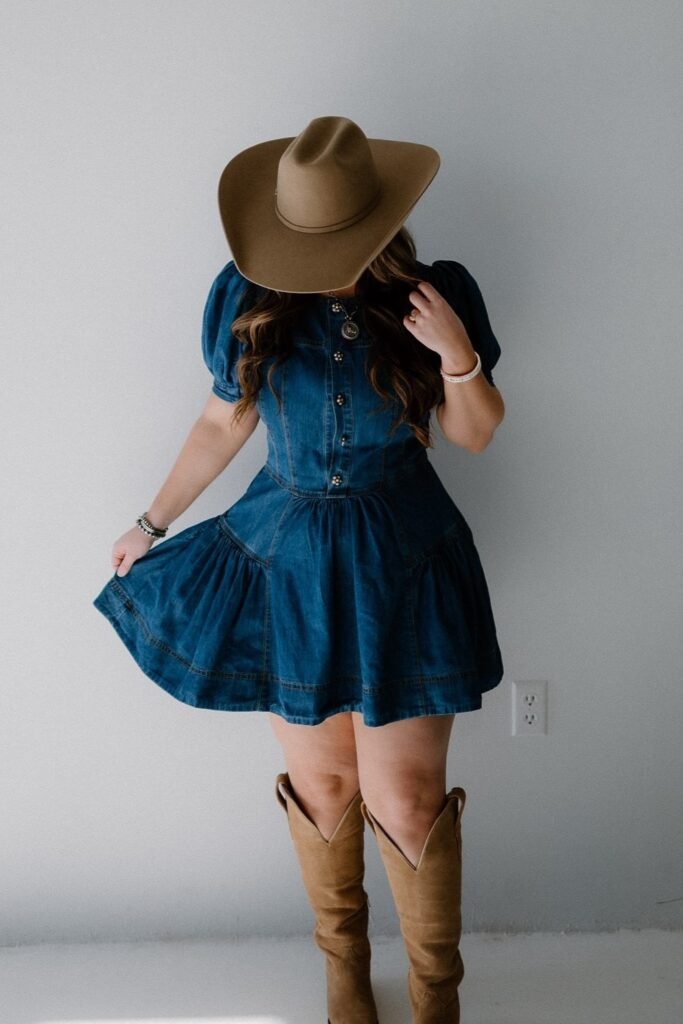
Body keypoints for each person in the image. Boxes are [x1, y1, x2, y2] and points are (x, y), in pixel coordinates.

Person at [93, 115, 506, 1024]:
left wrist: (458, 356)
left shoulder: (435, 294)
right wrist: (149, 522)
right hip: (284, 561)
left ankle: (437, 999)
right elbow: (221, 423)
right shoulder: (247, 295)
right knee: (324, 785)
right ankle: (344, 981)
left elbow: (474, 434)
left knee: (405, 793)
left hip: (403, 557)